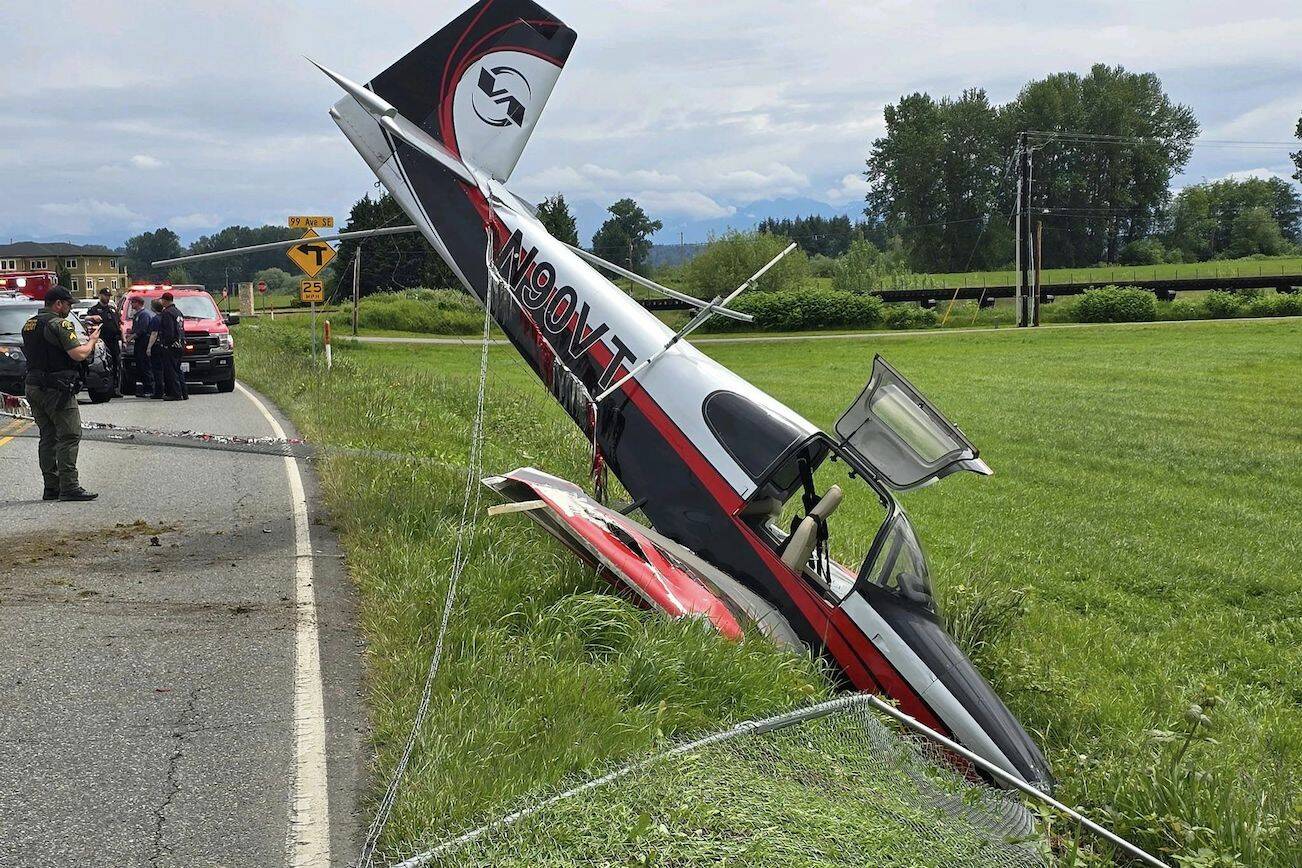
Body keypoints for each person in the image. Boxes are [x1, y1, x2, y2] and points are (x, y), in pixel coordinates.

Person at [21, 285, 100, 501]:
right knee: (69, 435)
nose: (68, 308)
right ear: (58, 304)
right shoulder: (59, 323)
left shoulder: (30, 323)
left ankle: (51, 487)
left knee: (47, 436)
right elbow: (78, 354)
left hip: (33, 385)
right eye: (67, 304)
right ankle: (69, 486)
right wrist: (92, 340)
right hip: (56, 388)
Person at [86, 288, 122, 395]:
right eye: (105, 295)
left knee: (115, 365)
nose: (107, 298)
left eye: (108, 296)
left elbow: (118, 324)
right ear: (100, 295)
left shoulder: (112, 310)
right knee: (105, 365)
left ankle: (115, 389)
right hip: (102, 342)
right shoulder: (94, 309)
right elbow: (87, 319)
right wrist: (92, 317)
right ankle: (107, 389)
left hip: (114, 341)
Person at [156, 291, 188, 401]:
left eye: (162, 300)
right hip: (180, 344)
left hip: (171, 346)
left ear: (165, 300)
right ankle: (184, 392)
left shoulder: (167, 313)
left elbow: (169, 331)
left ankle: (175, 394)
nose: (161, 302)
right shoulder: (178, 312)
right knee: (178, 369)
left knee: (171, 371)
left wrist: (165, 344)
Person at [127, 296, 155, 396]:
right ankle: (145, 388)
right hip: (139, 344)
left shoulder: (144, 315)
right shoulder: (137, 315)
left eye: (133, 302)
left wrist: (131, 337)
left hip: (144, 343)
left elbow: (142, 330)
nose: (131, 304)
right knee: (140, 366)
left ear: (139, 303)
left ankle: (149, 389)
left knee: (145, 366)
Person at [147, 299, 166, 399]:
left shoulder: (155, 319)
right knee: (164, 369)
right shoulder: (164, 317)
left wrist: (149, 347)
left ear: (153, 308)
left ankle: (158, 392)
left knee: (157, 370)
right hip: (164, 346)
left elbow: (154, 334)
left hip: (157, 347)